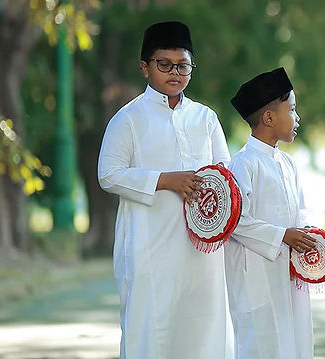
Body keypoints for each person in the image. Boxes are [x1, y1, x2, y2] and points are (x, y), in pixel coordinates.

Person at [97, 21, 233, 358]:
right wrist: (165, 180)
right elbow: (108, 174)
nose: (175, 73)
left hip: (203, 254)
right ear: (145, 67)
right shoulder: (127, 119)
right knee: (151, 333)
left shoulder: (206, 118)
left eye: (183, 65)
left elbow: (226, 175)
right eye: (164, 64)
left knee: (204, 331)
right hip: (149, 249)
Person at [223, 67, 318, 358]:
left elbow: (300, 212)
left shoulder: (287, 164)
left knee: (294, 341)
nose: (297, 117)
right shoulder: (242, 164)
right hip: (256, 275)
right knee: (262, 344)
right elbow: (236, 221)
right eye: (291, 109)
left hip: (288, 273)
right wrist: (282, 236)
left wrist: (309, 234)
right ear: (268, 117)